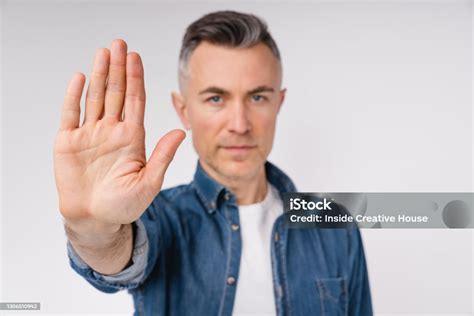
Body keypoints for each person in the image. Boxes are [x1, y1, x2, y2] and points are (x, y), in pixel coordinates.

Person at [54, 10, 372, 316]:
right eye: (216, 98)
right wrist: (93, 226)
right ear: (183, 109)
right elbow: (113, 257)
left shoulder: (334, 226)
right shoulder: (158, 217)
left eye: (258, 97)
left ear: (279, 103)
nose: (239, 124)